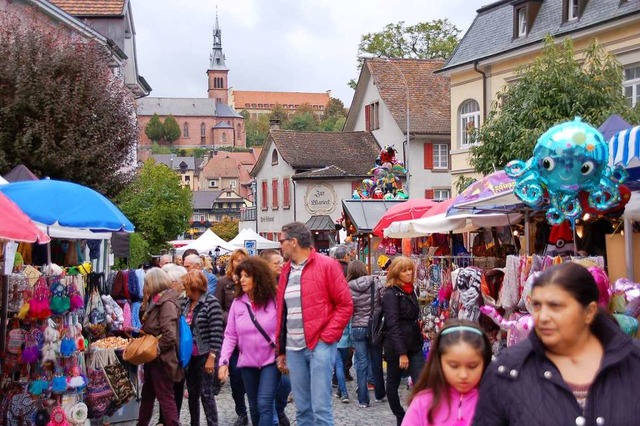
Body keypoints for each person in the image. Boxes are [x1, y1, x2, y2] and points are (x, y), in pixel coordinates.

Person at [473, 263, 640, 425]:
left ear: (589, 312)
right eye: (537, 306)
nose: (543, 316)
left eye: (556, 306)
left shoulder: (633, 362)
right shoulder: (507, 369)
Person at [275, 222, 354, 426]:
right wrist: (281, 349)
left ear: (293, 242)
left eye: (281, 241)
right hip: (294, 348)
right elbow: (282, 313)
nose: (280, 246)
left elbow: (345, 305)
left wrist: (327, 337)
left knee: (321, 410)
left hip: (319, 345)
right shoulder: (285, 271)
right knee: (302, 411)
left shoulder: (327, 265)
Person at [219, 258, 279, 426]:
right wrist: (224, 362)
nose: (242, 279)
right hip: (247, 363)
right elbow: (230, 335)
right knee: (253, 407)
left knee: (264, 404)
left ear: (258, 278)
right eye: (241, 275)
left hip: (271, 361)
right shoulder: (238, 304)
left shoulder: (274, 300)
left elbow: (283, 328)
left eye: (247, 276)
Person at [402, 320, 491, 426]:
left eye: (472, 366)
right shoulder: (423, 403)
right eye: (454, 366)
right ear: (439, 362)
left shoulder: (494, 402)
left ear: (485, 363)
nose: (463, 375)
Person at [137, 268, 183, 426]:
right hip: (154, 359)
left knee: (165, 397)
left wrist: (154, 350)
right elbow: (145, 319)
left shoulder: (167, 303)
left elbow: (169, 335)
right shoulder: (156, 299)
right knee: (148, 395)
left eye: (147, 283)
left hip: (162, 359)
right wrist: (145, 299)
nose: (145, 286)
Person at [382, 256, 425, 426]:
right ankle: (400, 415)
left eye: (410, 270)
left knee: (421, 382)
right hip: (396, 346)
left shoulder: (410, 290)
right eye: (404, 270)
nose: (408, 273)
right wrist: (401, 353)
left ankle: (419, 416)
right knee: (392, 383)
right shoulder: (391, 293)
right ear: (396, 273)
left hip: (414, 343)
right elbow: (392, 324)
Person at [182, 269, 224, 426]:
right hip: (189, 356)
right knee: (192, 394)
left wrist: (212, 357)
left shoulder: (211, 302)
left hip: (205, 354)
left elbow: (216, 332)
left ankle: (213, 423)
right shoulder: (186, 303)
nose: (185, 289)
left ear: (195, 286)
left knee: (206, 393)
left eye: (187, 286)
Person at [215, 248, 250, 426]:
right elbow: (217, 306)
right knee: (236, 375)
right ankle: (241, 412)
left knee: (250, 376)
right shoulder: (223, 282)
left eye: (242, 260)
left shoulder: (252, 282)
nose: (239, 263)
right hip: (231, 335)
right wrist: (229, 316)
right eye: (236, 260)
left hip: (250, 338)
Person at [347, 260, 386, 407]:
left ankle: (363, 399)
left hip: (357, 327)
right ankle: (379, 393)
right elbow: (383, 303)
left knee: (361, 363)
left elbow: (348, 309)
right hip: (374, 326)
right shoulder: (375, 282)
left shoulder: (347, 288)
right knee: (376, 361)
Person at [259, 249, 291, 426]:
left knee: (287, 383)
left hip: (284, 341)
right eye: (276, 263)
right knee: (268, 388)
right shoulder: (261, 289)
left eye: (281, 262)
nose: (280, 265)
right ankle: (273, 416)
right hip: (265, 345)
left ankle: (279, 408)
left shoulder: (286, 282)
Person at [157, 263, 188, 426]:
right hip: (175, 351)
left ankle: (170, 420)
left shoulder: (176, 300)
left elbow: (170, 332)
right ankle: (168, 420)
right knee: (169, 389)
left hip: (177, 351)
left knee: (172, 389)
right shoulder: (172, 299)